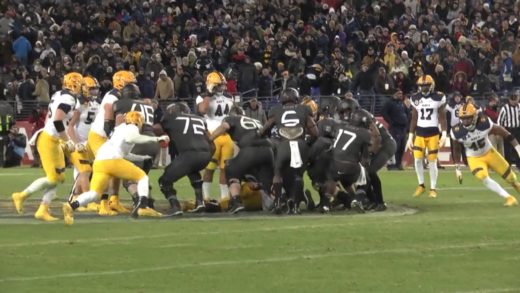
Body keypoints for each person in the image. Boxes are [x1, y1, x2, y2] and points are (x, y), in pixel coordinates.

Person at [63, 111, 169, 225]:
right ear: (139, 121)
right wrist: (157, 139)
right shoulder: (131, 128)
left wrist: (142, 157)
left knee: (94, 194)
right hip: (112, 160)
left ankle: (71, 206)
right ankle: (142, 206)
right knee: (142, 177)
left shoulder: (119, 129)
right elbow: (134, 138)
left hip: (100, 162)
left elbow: (126, 154)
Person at [12, 72, 83, 222]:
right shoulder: (69, 98)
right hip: (49, 139)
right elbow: (58, 121)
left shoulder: (59, 94)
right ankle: (21, 195)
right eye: (80, 84)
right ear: (75, 84)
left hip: (54, 139)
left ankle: (43, 209)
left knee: (59, 177)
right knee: (52, 178)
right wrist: (68, 141)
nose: (82, 87)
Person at [260, 88, 318, 214]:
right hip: (300, 145)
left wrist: (267, 136)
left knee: (278, 174)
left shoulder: (276, 110)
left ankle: (278, 203)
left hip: (284, 145)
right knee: (298, 175)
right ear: (296, 98)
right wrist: (307, 143)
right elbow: (315, 133)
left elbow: (264, 130)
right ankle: (296, 205)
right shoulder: (304, 109)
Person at [451, 102, 520, 206]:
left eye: (468, 118)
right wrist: (457, 167)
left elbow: (504, 132)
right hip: (474, 158)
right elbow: (456, 150)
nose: (465, 121)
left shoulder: (484, 123)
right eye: (463, 118)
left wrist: (518, 147)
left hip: (489, 152)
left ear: (474, 116)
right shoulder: (457, 131)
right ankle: (509, 198)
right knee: (482, 176)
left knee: (511, 178)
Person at [87, 70, 136, 215]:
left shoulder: (122, 95)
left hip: (110, 136)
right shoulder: (113, 95)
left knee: (117, 169)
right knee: (107, 168)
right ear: (121, 83)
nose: (133, 86)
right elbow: (109, 109)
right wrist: (111, 133)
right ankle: (103, 204)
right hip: (100, 135)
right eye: (130, 83)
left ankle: (114, 200)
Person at [209, 106, 274, 214]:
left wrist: (210, 139)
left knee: (230, 167)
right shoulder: (256, 121)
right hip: (268, 151)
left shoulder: (231, 119)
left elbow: (225, 126)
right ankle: (274, 200)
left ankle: (236, 202)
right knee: (264, 181)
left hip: (250, 149)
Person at [156, 102, 213, 216]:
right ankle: (200, 202)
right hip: (206, 154)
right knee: (192, 171)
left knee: (164, 180)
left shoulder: (171, 117)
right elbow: (211, 143)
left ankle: (175, 206)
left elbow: (157, 128)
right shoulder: (200, 119)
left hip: (189, 154)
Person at [113, 84, 158, 207]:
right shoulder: (147, 105)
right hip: (152, 141)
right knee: (142, 176)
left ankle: (139, 199)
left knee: (129, 180)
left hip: (137, 142)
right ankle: (148, 200)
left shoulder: (122, 103)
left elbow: (118, 123)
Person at [406, 75, 447, 198]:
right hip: (420, 133)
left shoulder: (438, 97)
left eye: (426, 85)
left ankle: (433, 188)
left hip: (433, 133)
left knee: (432, 161)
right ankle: (421, 185)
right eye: (421, 85)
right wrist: (410, 136)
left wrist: (444, 134)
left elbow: (442, 117)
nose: (423, 88)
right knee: (417, 160)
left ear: (431, 85)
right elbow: (414, 118)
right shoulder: (415, 98)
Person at [196, 71, 235, 202]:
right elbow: (202, 111)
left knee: (225, 169)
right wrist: (209, 94)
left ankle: (224, 197)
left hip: (227, 137)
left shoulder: (229, 97)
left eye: (222, 84)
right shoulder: (202, 97)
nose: (223, 87)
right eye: (219, 85)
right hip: (211, 135)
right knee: (210, 168)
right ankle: (206, 197)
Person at [65, 76, 100, 212]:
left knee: (86, 171)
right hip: (78, 141)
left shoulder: (95, 103)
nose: (95, 92)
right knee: (83, 171)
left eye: (96, 89)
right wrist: (76, 142)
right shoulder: (77, 104)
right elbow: (70, 126)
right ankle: (76, 198)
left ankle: (78, 198)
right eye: (92, 89)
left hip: (90, 142)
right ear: (84, 88)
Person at [381, 90, 409, 170]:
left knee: (402, 147)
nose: (400, 95)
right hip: (395, 128)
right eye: (398, 93)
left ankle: (398, 164)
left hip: (403, 128)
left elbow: (406, 113)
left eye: (401, 93)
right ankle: (391, 165)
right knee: (394, 146)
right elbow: (383, 112)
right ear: (394, 94)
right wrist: (391, 121)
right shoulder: (389, 103)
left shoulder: (402, 103)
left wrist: (406, 122)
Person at [498, 94, 520, 168]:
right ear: (510, 100)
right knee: (507, 148)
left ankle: (519, 165)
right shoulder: (505, 108)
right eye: (513, 100)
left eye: (516, 100)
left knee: (518, 147)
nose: (514, 102)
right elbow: (500, 121)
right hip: (508, 129)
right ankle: (508, 165)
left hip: (518, 129)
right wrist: (501, 131)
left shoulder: (519, 106)